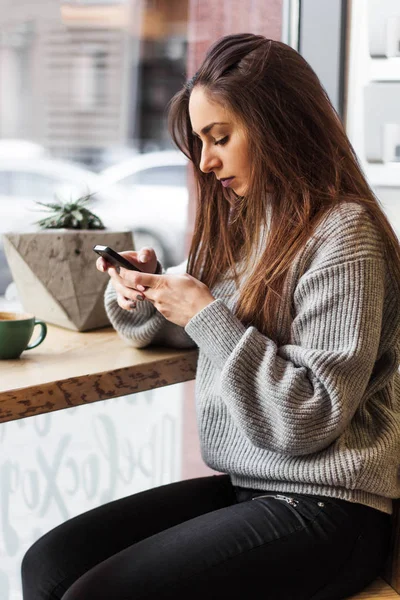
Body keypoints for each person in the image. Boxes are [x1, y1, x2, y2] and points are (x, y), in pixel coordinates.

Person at [22, 33, 400, 600]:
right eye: (199, 142)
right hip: (251, 484)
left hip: (330, 506)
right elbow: (189, 325)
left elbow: (308, 416)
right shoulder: (253, 229)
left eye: (219, 137)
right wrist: (144, 291)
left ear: (279, 126)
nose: (206, 160)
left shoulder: (345, 236)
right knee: (48, 564)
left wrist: (205, 313)